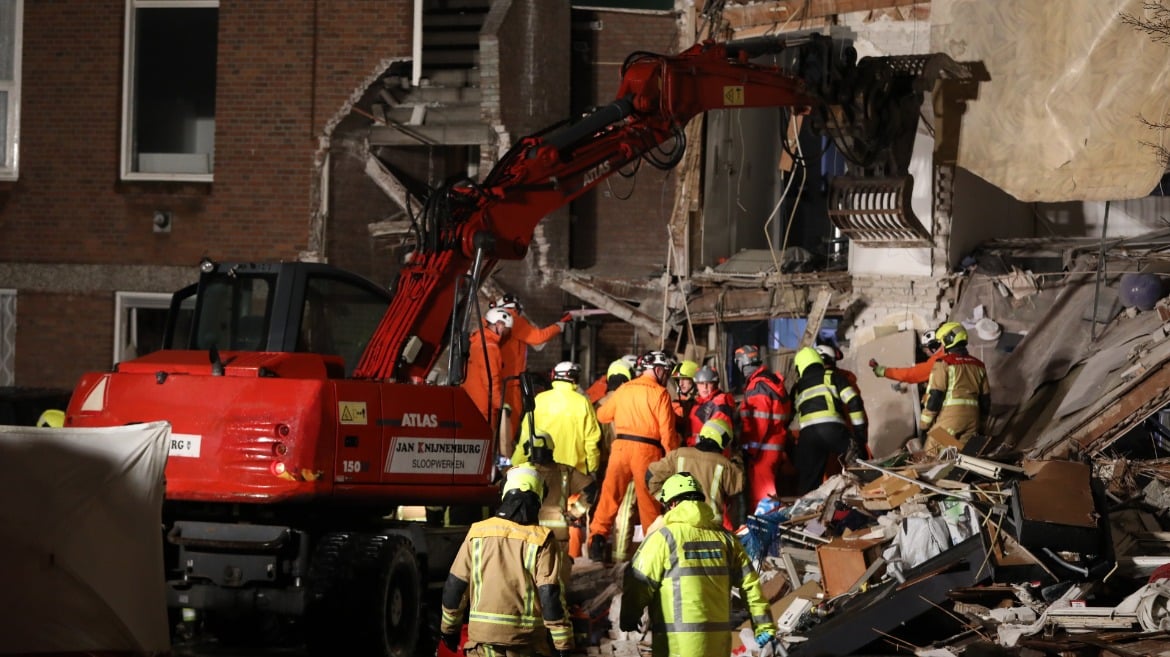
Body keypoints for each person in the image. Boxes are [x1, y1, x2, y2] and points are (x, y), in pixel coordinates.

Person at [620, 472, 777, 657]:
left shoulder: (663, 538)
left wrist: (630, 616)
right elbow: (750, 586)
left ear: (672, 504)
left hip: (677, 646)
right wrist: (764, 625)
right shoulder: (727, 539)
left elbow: (639, 583)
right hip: (718, 645)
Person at [440, 466, 574, 657]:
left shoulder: (477, 533)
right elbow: (550, 596)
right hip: (526, 645)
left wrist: (449, 630)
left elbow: (455, 586)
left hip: (483, 644)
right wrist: (564, 644)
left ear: (505, 494)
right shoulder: (542, 540)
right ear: (538, 499)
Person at [589, 350, 680, 563]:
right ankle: (653, 550)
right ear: (657, 370)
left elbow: (602, 415)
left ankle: (597, 539)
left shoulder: (624, 389)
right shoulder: (660, 394)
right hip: (647, 451)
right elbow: (668, 435)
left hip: (620, 448)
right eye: (665, 371)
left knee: (609, 497)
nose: (666, 376)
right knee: (648, 503)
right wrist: (673, 459)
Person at [493, 294, 573, 457]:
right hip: (510, 383)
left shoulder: (497, 323)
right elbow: (538, 338)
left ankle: (499, 455)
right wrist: (558, 326)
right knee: (509, 425)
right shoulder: (514, 319)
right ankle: (504, 458)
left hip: (500, 380)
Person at [790, 346, 869, 494]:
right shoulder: (832, 376)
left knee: (808, 485)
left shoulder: (797, 387)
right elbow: (854, 401)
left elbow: (788, 417)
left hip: (808, 437)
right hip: (834, 432)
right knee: (859, 468)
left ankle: (807, 507)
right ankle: (869, 496)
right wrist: (859, 434)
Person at [516, 430, 597, 569]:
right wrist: (573, 514)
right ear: (551, 449)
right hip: (557, 535)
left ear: (528, 449)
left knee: (529, 573)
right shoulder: (565, 471)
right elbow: (590, 489)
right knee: (557, 575)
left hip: (528, 533)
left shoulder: (520, 471)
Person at [647, 417, 744, 530]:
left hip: (679, 522)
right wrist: (737, 457)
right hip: (711, 526)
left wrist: (668, 501)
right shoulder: (725, 465)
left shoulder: (678, 455)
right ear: (724, 441)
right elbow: (738, 486)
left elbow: (650, 476)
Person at [511, 361, 602, 476]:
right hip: (573, 472)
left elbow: (526, 436)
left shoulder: (539, 400)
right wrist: (593, 467)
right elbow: (591, 440)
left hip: (543, 468)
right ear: (574, 378)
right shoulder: (582, 402)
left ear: (553, 375)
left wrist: (516, 463)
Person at [735, 345, 794, 510]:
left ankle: (765, 524)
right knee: (769, 493)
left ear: (742, 363)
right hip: (774, 446)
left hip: (762, 452)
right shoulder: (773, 383)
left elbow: (759, 424)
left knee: (763, 497)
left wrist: (750, 450)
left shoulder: (757, 386)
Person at [920, 322, 990, 453]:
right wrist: (982, 424)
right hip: (973, 419)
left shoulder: (943, 363)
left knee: (932, 450)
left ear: (948, 340)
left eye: (941, 342)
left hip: (951, 418)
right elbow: (985, 399)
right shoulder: (979, 365)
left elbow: (936, 396)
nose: (941, 346)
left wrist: (924, 423)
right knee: (961, 455)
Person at [462, 307, 513, 438]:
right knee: (485, 443)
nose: (505, 334)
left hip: (468, 401)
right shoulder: (490, 347)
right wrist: (500, 404)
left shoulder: (476, 340)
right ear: (499, 324)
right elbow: (491, 380)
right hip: (483, 407)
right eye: (505, 329)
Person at [869, 328, 946, 384]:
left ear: (933, 347)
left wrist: (885, 371)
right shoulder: (947, 354)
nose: (925, 352)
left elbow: (910, 374)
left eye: (926, 349)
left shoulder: (937, 362)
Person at [688, 365, 738, 447]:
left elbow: (714, 438)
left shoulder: (719, 404)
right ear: (696, 385)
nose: (705, 387)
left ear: (715, 384)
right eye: (701, 383)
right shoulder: (699, 402)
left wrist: (689, 441)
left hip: (710, 451)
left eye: (709, 383)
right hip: (698, 449)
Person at [670, 359, 699, 443]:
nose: (681, 383)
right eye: (679, 380)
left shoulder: (704, 403)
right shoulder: (675, 404)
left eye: (684, 379)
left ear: (694, 380)